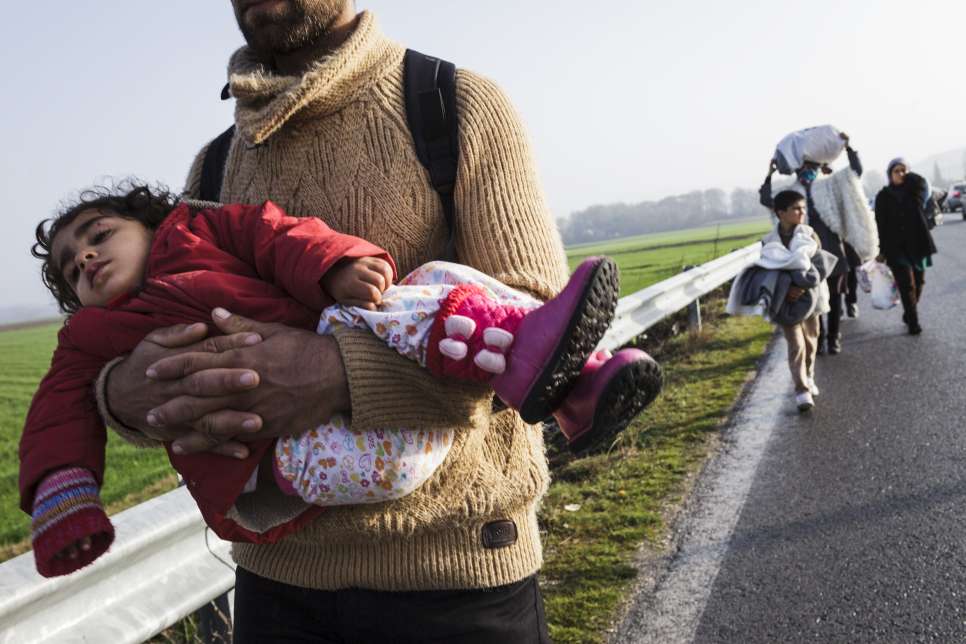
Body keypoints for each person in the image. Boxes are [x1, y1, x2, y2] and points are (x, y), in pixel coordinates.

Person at [88, 3, 604, 640]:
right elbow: (137, 334)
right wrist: (123, 393)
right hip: (273, 585)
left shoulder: (452, 105)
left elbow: (538, 330)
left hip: (456, 575)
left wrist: (334, 373)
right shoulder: (214, 167)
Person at [22, 183, 662, 578]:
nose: (84, 257)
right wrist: (83, 460)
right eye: (71, 269)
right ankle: (548, 372)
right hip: (310, 464)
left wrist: (335, 267)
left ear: (151, 222)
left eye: (99, 234)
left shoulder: (200, 227)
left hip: (451, 552)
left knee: (439, 277)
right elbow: (58, 409)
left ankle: (578, 390)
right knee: (419, 304)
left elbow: (277, 235)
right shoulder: (89, 338)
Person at [760, 132, 866, 355]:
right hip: (807, 255)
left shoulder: (830, 186)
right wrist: (770, 174)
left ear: (819, 167)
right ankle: (819, 338)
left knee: (836, 298)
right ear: (797, 170)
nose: (807, 171)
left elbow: (855, 173)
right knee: (813, 298)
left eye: (811, 166)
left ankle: (834, 337)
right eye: (803, 167)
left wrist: (849, 149)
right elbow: (768, 200)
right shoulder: (791, 193)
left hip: (834, 252)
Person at [728, 191, 835, 412]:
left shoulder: (810, 235)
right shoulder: (768, 242)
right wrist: (785, 289)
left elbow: (820, 265)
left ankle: (809, 375)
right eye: (796, 208)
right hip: (784, 302)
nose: (801, 212)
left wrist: (800, 287)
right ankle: (801, 389)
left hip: (811, 298)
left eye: (803, 208)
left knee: (811, 341)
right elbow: (768, 270)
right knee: (795, 344)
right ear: (781, 213)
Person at [874, 159, 937, 334]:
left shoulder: (915, 192)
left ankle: (909, 313)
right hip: (895, 248)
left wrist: (909, 174)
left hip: (918, 244)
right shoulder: (883, 196)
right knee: (906, 284)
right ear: (889, 175)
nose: (901, 174)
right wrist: (882, 251)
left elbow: (922, 182)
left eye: (904, 171)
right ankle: (913, 322)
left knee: (919, 281)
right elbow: (881, 224)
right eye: (896, 171)